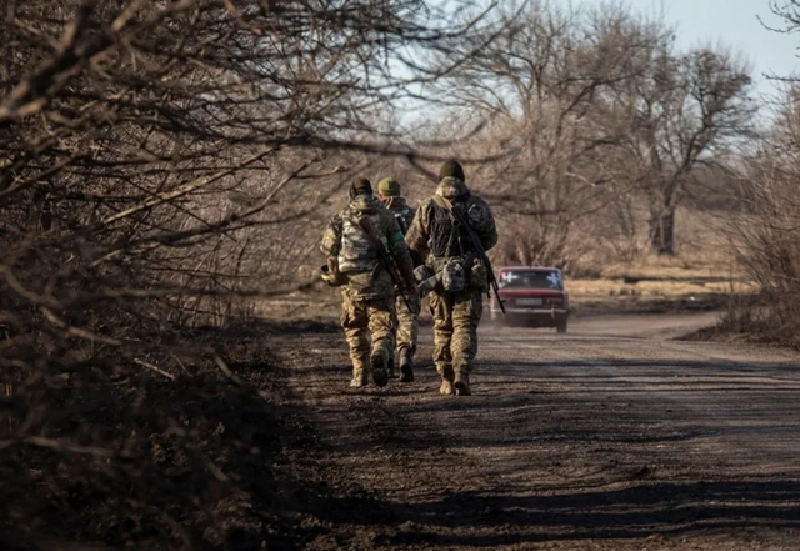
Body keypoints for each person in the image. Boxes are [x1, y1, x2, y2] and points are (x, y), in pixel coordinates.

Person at [405, 160, 497, 396]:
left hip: (438, 278)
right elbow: (490, 240)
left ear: (440, 179)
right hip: (469, 275)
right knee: (465, 326)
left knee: (443, 328)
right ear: (462, 179)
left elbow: (413, 242)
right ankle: (462, 373)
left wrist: (432, 257)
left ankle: (446, 379)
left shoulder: (427, 207)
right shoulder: (477, 206)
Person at [320, 178, 416, 388]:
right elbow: (401, 250)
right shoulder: (386, 216)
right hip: (380, 281)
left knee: (354, 327)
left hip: (351, 284)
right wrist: (408, 280)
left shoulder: (341, 217)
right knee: (382, 326)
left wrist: (335, 270)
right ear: (372, 192)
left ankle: (360, 373)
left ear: (351, 194)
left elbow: (327, 248)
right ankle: (380, 352)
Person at [377, 177, 422, 383]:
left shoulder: (378, 216)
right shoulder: (413, 214)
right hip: (408, 273)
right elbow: (423, 245)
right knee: (408, 316)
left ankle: (384, 356)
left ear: (381, 195)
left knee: (384, 318)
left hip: (382, 276)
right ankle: (404, 353)